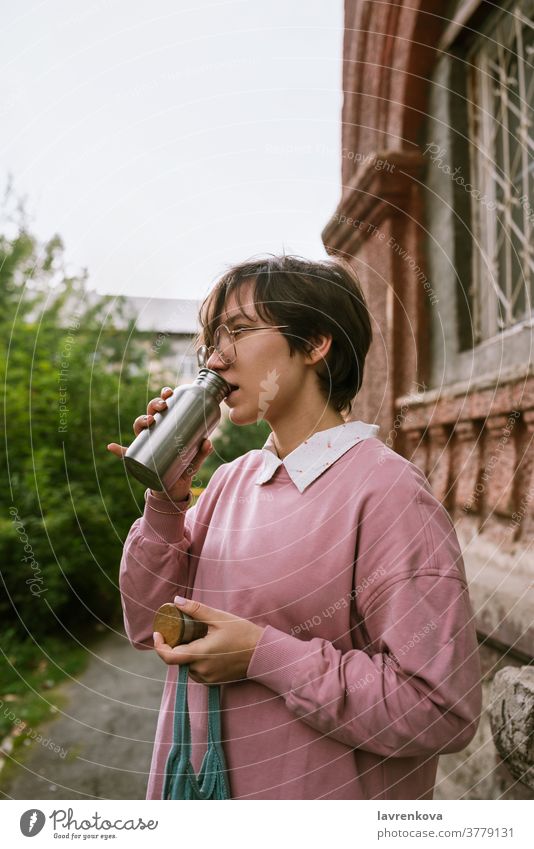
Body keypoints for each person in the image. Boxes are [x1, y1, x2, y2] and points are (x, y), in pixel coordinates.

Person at [109, 254, 482, 800]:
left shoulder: (386, 493)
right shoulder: (233, 483)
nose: (216, 356)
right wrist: (165, 502)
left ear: (314, 344)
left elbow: (440, 708)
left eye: (237, 330)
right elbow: (147, 626)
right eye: (212, 338)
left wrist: (264, 655)